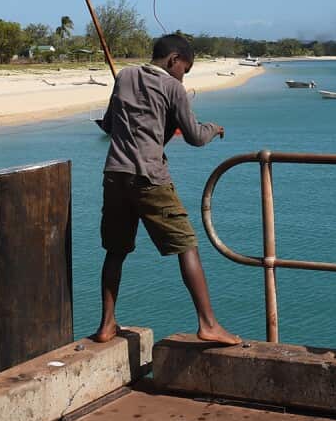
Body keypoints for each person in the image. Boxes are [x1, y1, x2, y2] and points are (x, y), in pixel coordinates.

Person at [92, 33, 241, 346]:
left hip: (115, 175)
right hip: (150, 177)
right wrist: (215, 129)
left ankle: (107, 325)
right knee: (187, 245)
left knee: (115, 251)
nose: (182, 76)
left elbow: (108, 125)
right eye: (183, 70)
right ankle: (208, 324)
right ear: (174, 60)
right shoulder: (174, 87)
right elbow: (195, 137)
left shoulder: (125, 76)